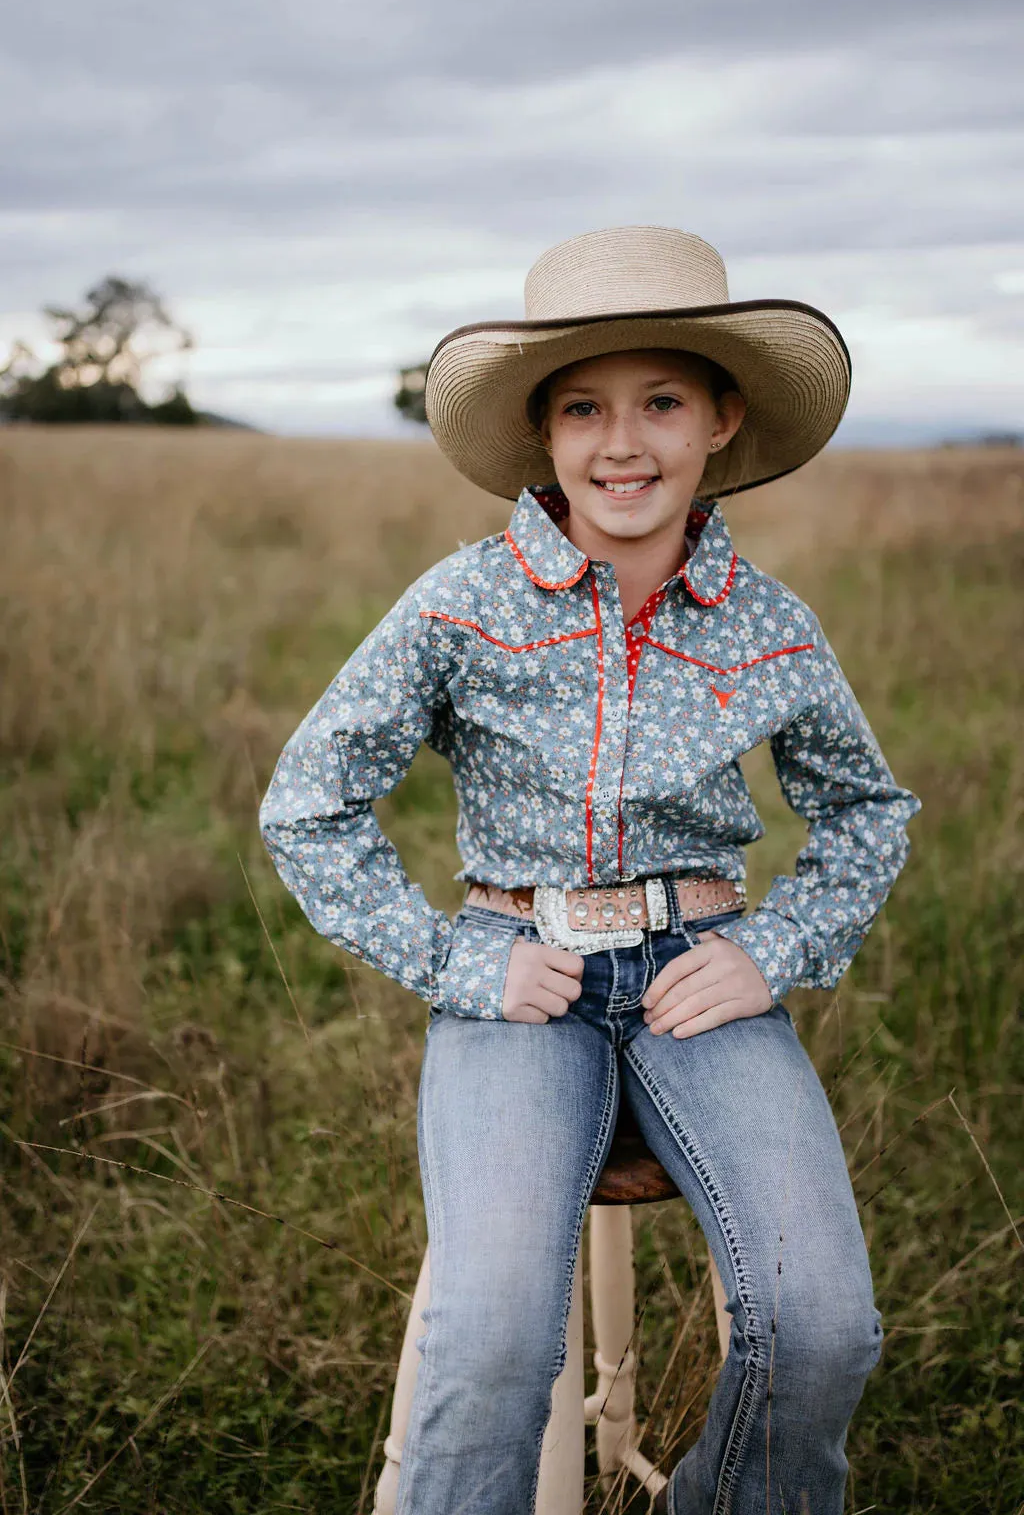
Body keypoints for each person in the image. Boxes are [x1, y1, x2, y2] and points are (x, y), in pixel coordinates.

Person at [259, 226, 921, 1515]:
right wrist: (457, 958)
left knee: (824, 1321)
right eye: (584, 408)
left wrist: (769, 952)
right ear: (545, 436)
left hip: (697, 975)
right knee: (497, 1333)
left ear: (723, 418)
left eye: (661, 402)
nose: (624, 444)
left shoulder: (767, 622)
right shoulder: (463, 604)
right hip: (521, 974)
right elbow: (308, 803)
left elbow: (867, 807)